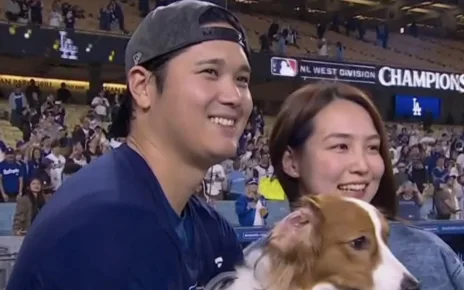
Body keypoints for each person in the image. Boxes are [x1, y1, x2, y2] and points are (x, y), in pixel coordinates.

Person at [7, 1, 253, 289]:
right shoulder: (101, 226)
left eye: (242, 79)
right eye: (210, 72)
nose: (235, 96)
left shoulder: (210, 228)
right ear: (142, 87)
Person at [242, 83, 464, 290]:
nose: (362, 165)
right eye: (341, 146)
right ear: (291, 162)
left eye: (372, 147)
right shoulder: (250, 271)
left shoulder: (431, 253)